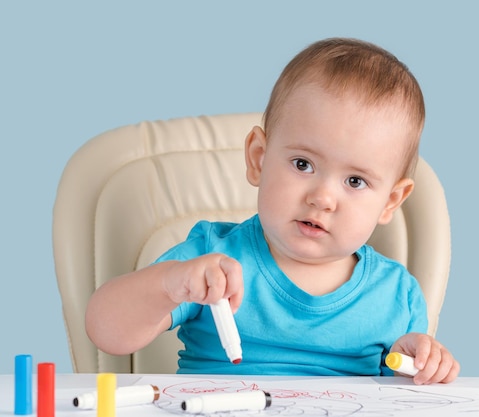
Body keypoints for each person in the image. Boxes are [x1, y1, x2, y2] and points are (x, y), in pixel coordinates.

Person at [86, 37, 459, 385]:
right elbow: (105, 332)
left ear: (390, 202)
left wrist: (419, 367)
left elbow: (404, 399)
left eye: (355, 182)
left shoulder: (397, 295)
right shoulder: (211, 259)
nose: (323, 198)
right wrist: (169, 284)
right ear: (258, 159)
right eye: (302, 164)